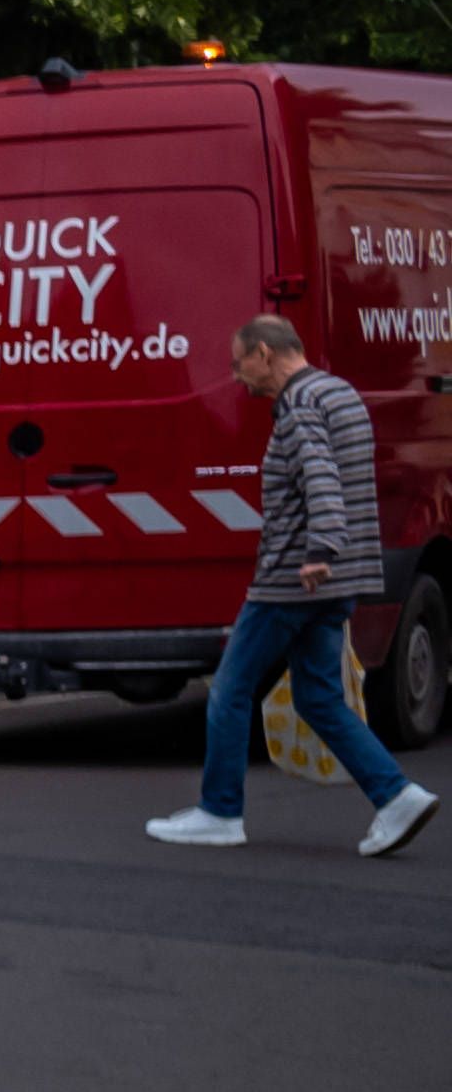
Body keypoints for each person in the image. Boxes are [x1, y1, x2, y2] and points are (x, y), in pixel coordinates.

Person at [152, 314, 432, 854]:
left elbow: (320, 476)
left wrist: (320, 549)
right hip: (339, 580)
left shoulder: (299, 405)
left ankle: (219, 812)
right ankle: (397, 797)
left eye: (239, 364)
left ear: (264, 353)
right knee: (319, 699)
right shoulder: (340, 393)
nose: (237, 377)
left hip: (293, 579)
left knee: (230, 689)